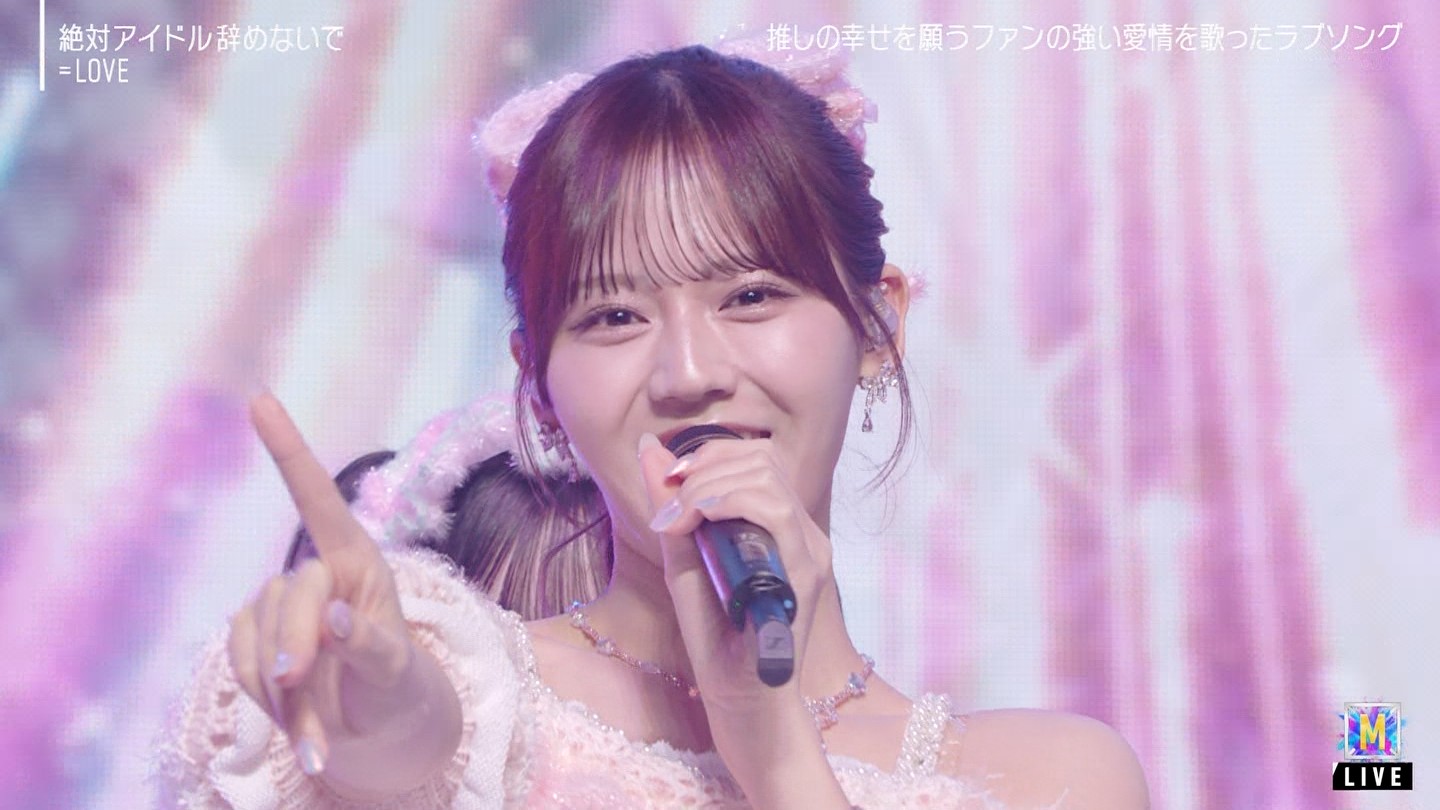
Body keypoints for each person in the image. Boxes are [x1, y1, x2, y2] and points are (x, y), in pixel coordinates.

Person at [158, 44, 1149, 808]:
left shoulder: (1051, 778)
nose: (689, 375)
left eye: (751, 296)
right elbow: (408, 741)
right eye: (614, 317)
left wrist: (775, 750)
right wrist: (376, 727)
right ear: (538, 386)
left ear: (877, 324)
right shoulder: (478, 700)